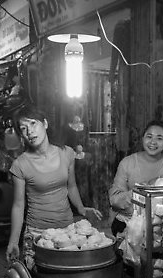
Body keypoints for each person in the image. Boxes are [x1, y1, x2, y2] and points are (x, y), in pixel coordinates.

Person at [6, 105, 102, 266]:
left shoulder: (66, 153)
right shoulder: (20, 165)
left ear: (45, 124)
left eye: (33, 124)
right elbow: (18, 205)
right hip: (37, 233)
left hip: (67, 230)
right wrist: (13, 241)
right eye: (23, 128)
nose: (29, 131)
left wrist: (81, 208)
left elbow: (71, 186)